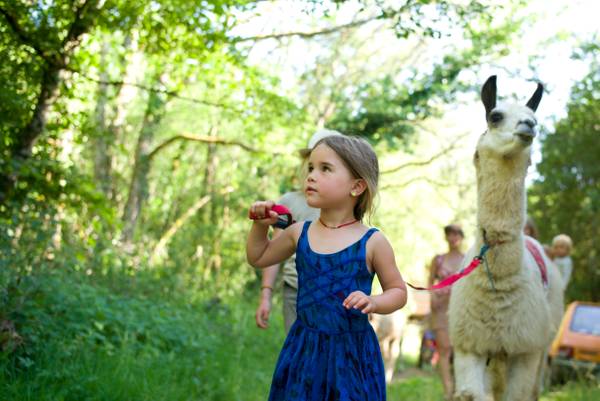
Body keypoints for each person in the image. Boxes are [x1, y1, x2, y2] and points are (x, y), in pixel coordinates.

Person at [247, 135, 407, 400]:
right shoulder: (299, 233)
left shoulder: (373, 242)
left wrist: (374, 301)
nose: (311, 176)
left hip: (352, 353)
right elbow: (259, 256)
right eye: (311, 167)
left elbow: (398, 291)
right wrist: (260, 225)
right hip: (304, 349)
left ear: (356, 187)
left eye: (325, 169)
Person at [255, 129, 342, 333]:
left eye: (327, 166)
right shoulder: (290, 202)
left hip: (335, 294)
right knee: (298, 352)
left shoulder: (343, 206)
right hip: (295, 290)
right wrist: (265, 296)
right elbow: (272, 253)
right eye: (312, 164)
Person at [428, 224, 465, 401]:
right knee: (444, 349)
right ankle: (448, 390)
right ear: (446, 237)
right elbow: (430, 283)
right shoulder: (438, 260)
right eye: (450, 234)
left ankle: (461, 386)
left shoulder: (468, 259)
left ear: (462, 237)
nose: (453, 237)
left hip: (462, 309)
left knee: (461, 349)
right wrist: (433, 298)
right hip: (441, 310)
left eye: (457, 234)